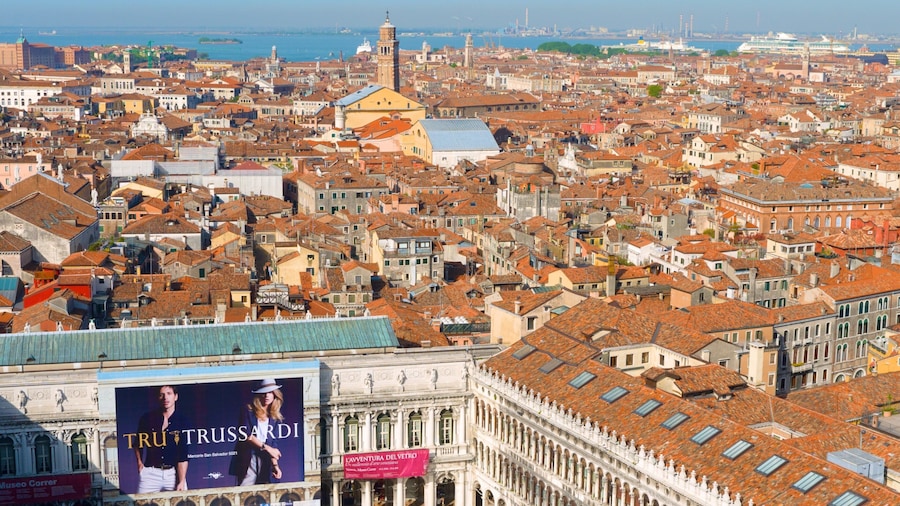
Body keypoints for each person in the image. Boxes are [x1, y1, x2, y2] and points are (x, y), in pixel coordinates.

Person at [133, 385, 189, 493]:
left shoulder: (182, 421)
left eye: (169, 394)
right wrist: (140, 464)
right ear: (158, 398)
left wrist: (181, 481)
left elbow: (183, 454)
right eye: (161, 395)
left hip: (174, 473)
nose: (165, 398)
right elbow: (137, 444)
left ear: (175, 396)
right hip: (150, 473)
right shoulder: (147, 418)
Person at [232, 378, 284, 485]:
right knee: (246, 493)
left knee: (267, 493)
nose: (266, 396)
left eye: (270, 392)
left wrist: (275, 465)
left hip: (267, 459)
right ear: (259, 395)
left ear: (275, 394)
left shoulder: (275, 416)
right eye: (263, 393)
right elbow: (246, 435)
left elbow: (273, 443)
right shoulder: (248, 410)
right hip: (250, 457)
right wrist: (268, 448)